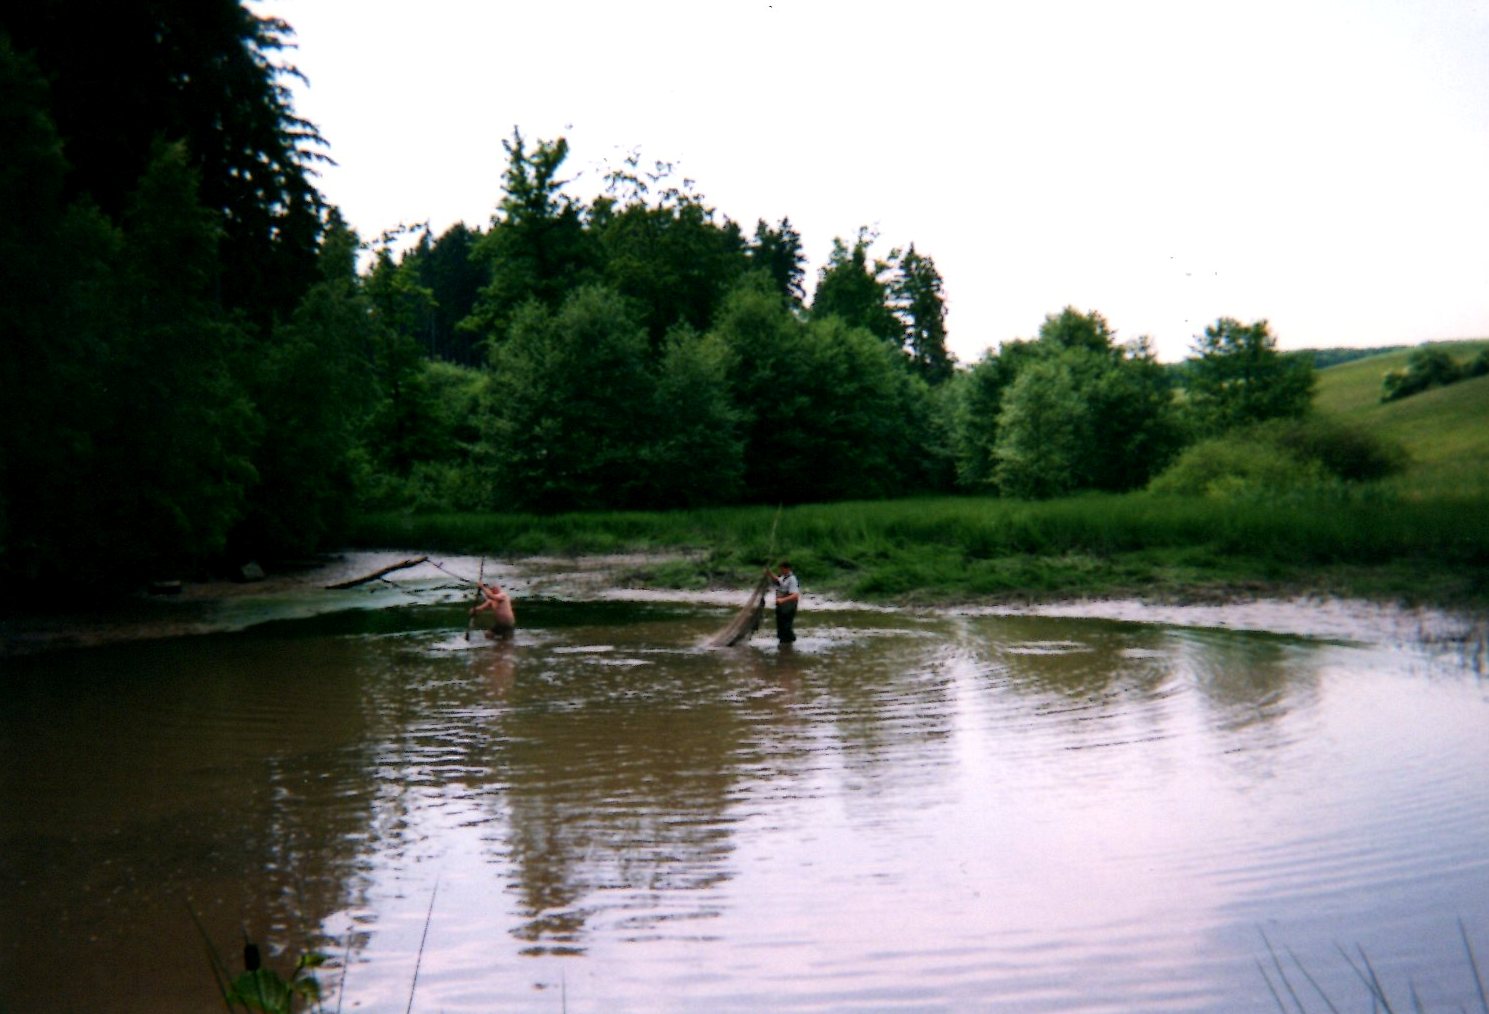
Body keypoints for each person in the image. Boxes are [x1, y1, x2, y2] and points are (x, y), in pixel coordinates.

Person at [764, 560, 799, 643]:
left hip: (789, 607)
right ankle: (784, 645)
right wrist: (769, 573)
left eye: (782, 569)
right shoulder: (784, 577)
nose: (780, 571)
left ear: (787, 569)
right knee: (780, 625)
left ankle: (789, 642)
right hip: (781, 606)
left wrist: (782, 600)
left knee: (786, 626)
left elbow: (795, 595)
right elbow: (778, 581)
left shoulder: (792, 579)